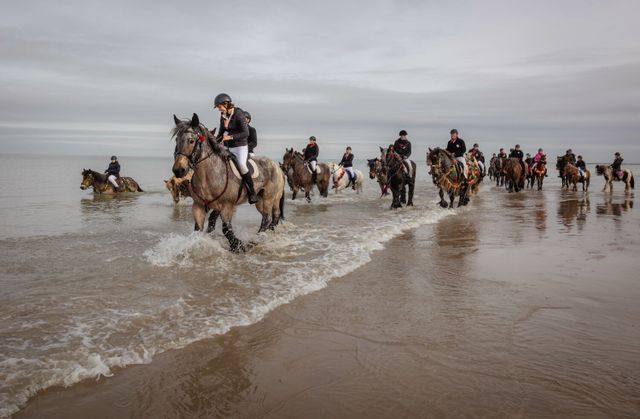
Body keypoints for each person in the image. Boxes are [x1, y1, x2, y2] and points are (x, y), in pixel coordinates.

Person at [213, 93, 257, 204]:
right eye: (218, 107)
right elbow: (221, 133)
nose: (219, 109)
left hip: (240, 147)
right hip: (228, 147)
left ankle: (252, 193)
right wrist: (214, 143)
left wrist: (231, 137)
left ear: (226, 104)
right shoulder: (223, 116)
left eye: (219, 107)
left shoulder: (239, 114)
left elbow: (245, 133)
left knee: (242, 166)